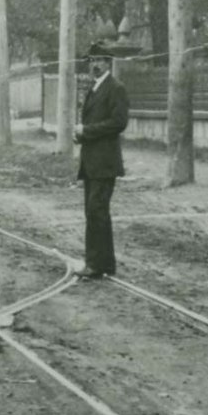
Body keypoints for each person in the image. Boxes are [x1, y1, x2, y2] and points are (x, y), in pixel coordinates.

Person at [73, 43, 129, 279]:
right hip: (92, 161)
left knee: (97, 211)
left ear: (109, 63)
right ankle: (104, 263)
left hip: (105, 163)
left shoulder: (115, 88)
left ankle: (95, 264)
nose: (94, 65)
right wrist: (81, 135)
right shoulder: (95, 88)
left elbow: (118, 123)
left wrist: (87, 130)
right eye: (91, 60)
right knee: (95, 212)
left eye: (99, 60)